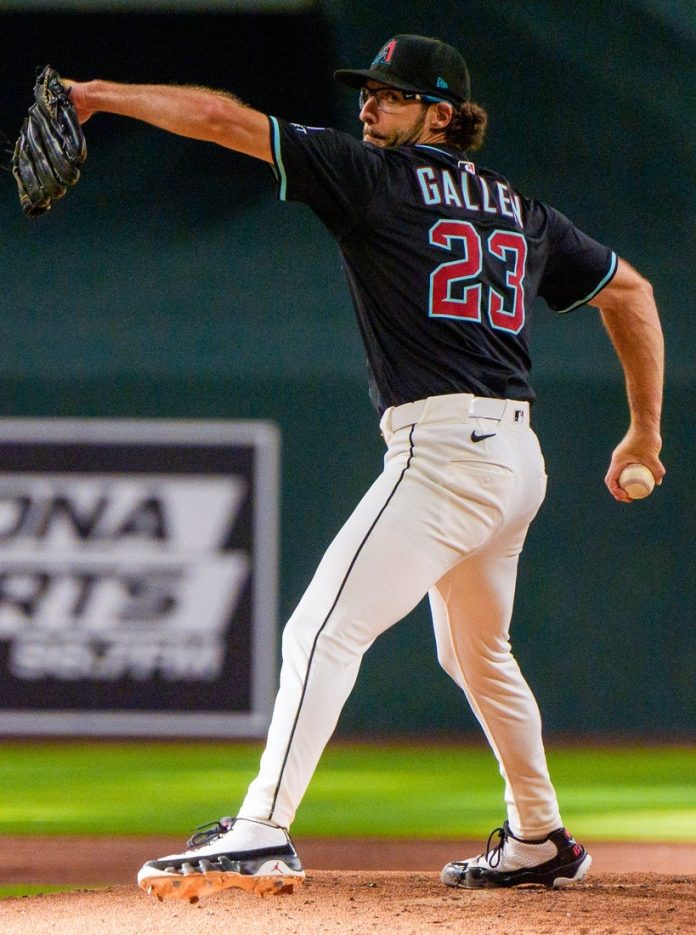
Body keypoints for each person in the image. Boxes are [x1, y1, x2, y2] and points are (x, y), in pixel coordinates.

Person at [65, 33, 664, 901]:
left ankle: (261, 829)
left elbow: (221, 119)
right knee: (477, 653)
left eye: (393, 93)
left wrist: (101, 93)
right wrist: (643, 432)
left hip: (445, 452)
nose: (369, 104)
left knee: (319, 630)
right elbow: (632, 291)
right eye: (368, 90)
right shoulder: (519, 208)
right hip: (515, 460)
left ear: (444, 115)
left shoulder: (374, 177)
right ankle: (538, 833)